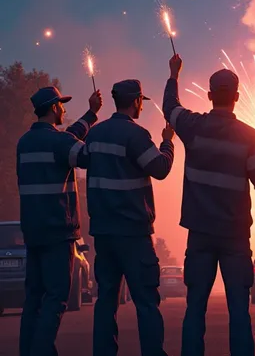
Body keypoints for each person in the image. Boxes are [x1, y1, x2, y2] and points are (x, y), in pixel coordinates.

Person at [162, 54, 255, 356]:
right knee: (239, 309)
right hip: (236, 236)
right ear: (238, 97)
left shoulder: (193, 126)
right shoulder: (249, 137)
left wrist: (174, 74)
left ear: (209, 95)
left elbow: (170, 108)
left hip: (199, 232)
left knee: (195, 307)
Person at [86, 79, 174, 356]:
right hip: (134, 233)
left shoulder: (95, 135)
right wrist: (167, 143)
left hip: (103, 232)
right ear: (136, 101)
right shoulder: (137, 135)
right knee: (146, 301)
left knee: (106, 300)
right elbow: (159, 168)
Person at [17, 85, 103, 356]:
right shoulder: (59, 143)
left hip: (33, 232)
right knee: (56, 296)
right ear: (54, 108)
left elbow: (66, 140)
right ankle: (41, 351)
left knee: (33, 299)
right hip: (58, 231)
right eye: (62, 105)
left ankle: (28, 349)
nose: (64, 110)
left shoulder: (24, 142)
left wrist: (90, 115)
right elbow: (85, 155)